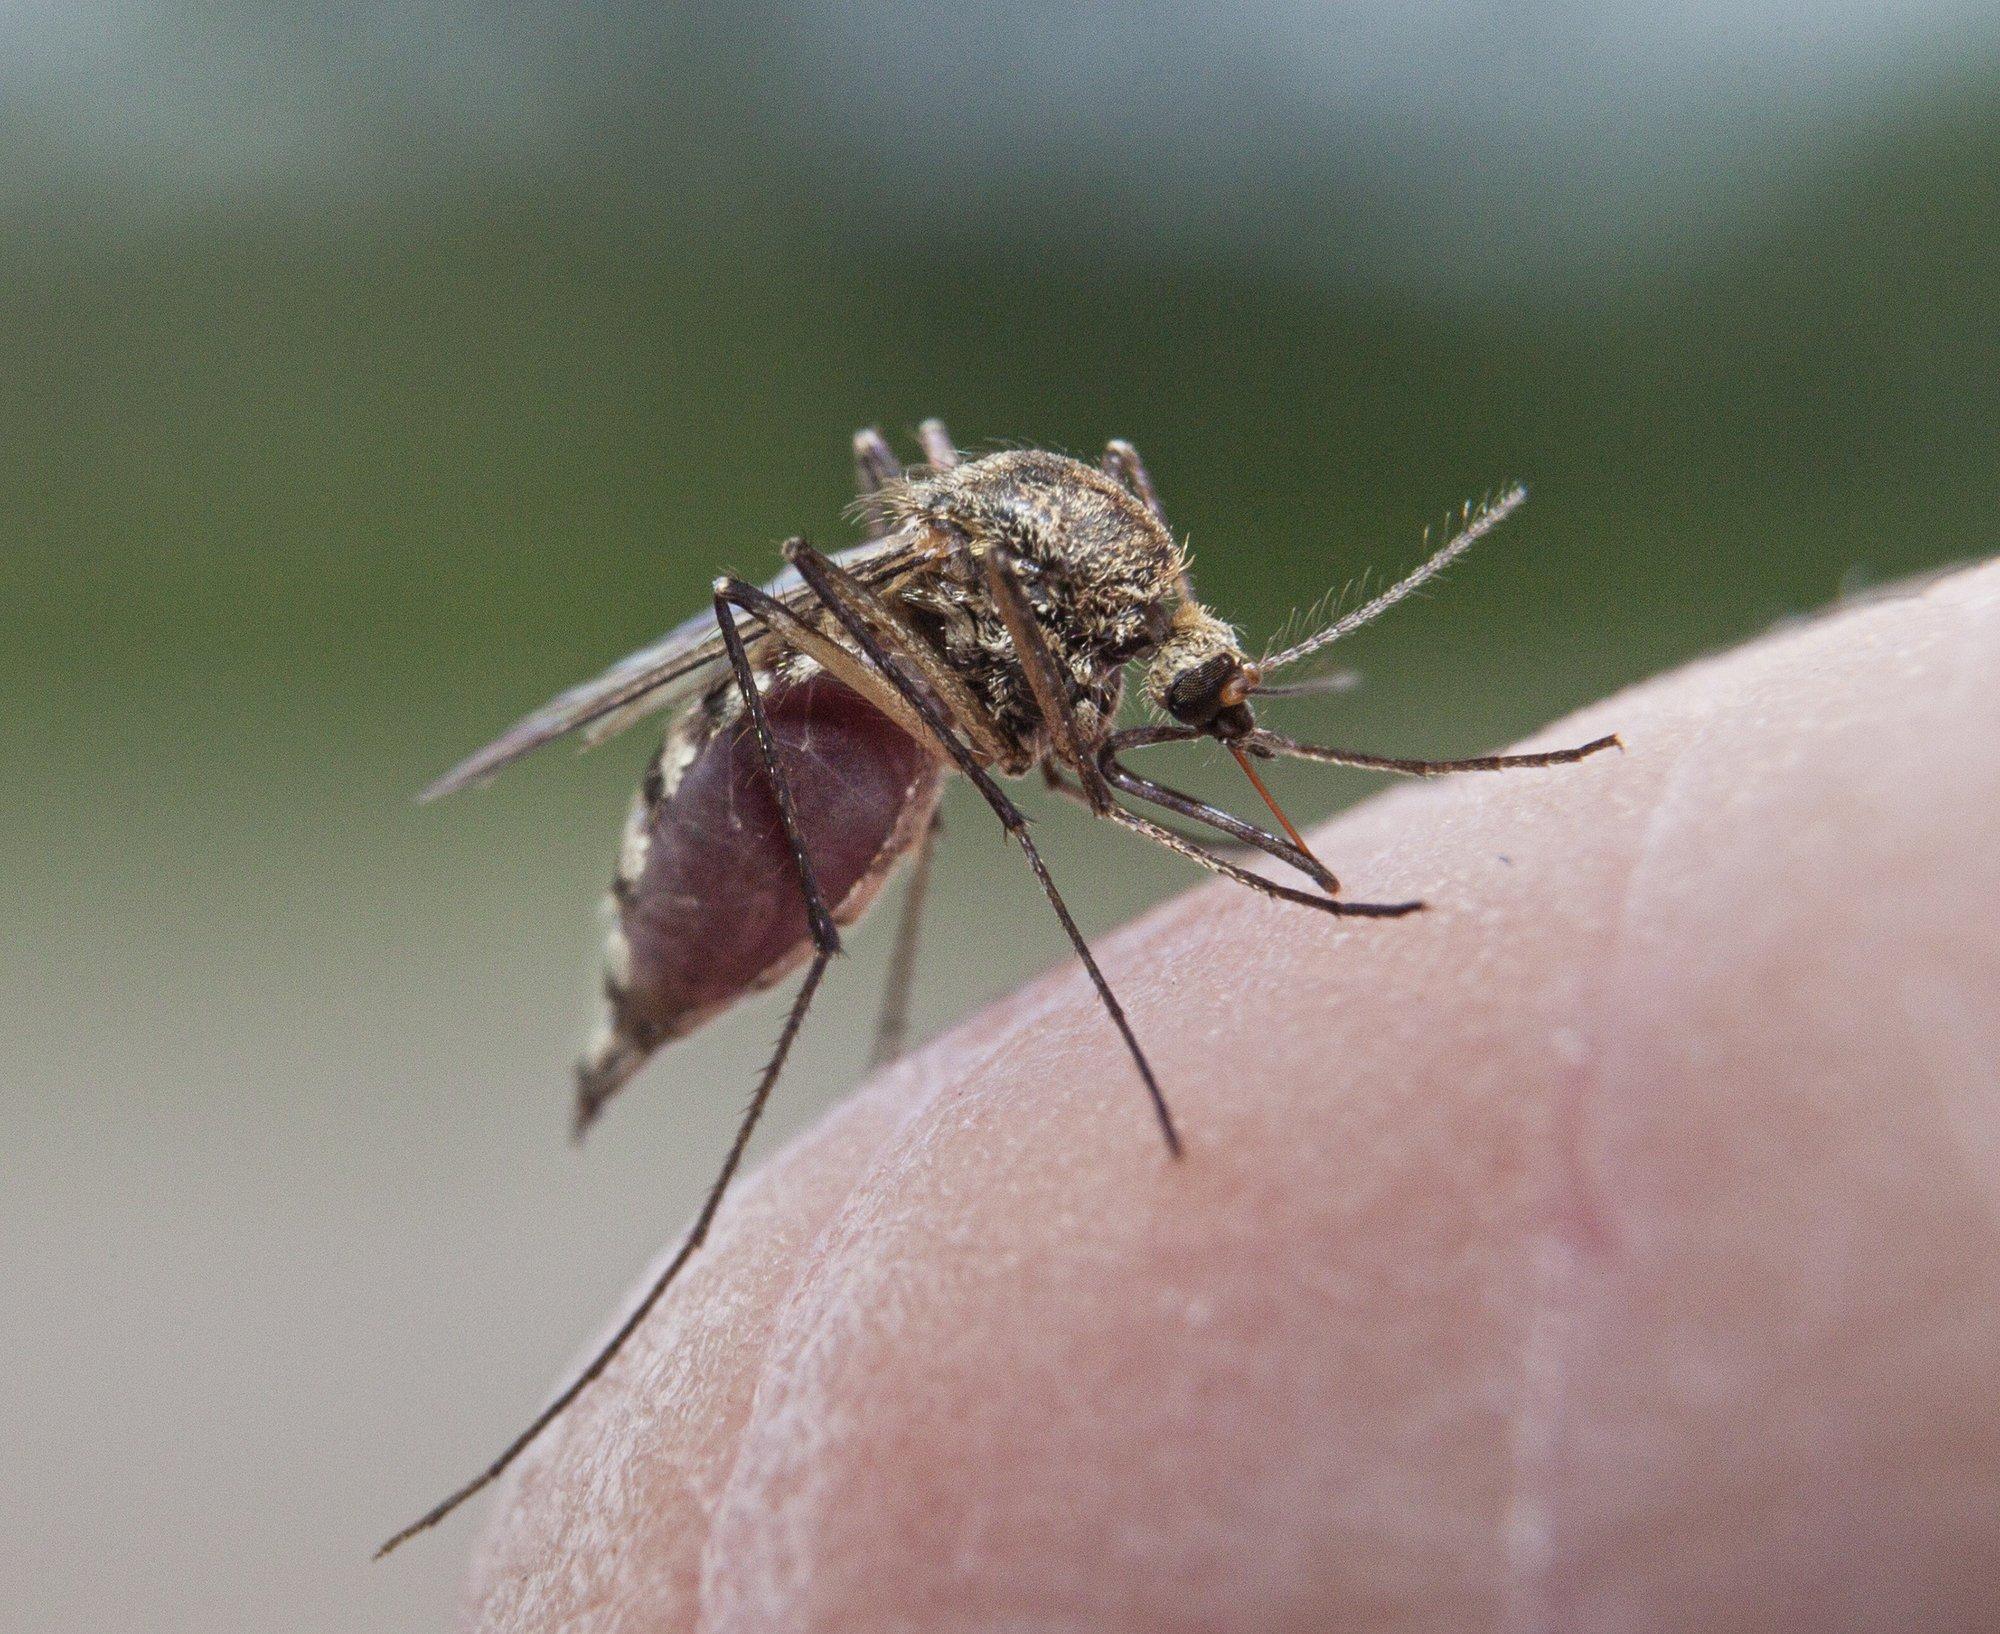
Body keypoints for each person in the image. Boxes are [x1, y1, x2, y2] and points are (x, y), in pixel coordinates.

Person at [460, 559, 2000, 1632]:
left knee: (1004, 753)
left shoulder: (1108, 612)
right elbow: (998, 730)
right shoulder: (1043, 611)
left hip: (900, 714)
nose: (1198, 710)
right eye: (1204, 697)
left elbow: (1079, 730)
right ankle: (754, 1036)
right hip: (795, 757)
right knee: (923, 703)